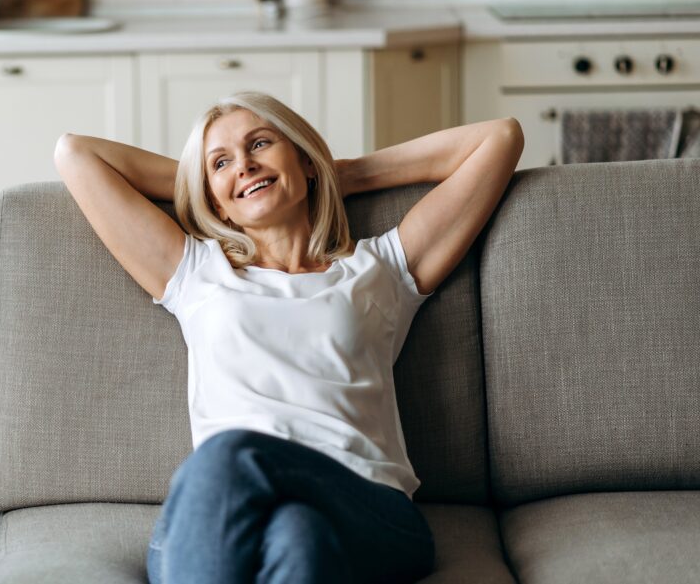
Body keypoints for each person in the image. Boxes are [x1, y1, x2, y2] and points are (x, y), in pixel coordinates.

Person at [54, 91, 524, 584]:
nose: (245, 166)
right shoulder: (196, 274)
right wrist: (222, 181)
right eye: (221, 162)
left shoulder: (380, 269)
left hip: (366, 504)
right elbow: (76, 153)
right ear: (211, 198)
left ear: (304, 156)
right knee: (299, 536)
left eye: (260, 144)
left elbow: (499, 138)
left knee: (231, 454)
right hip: (228, 510)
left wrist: (341, 173)